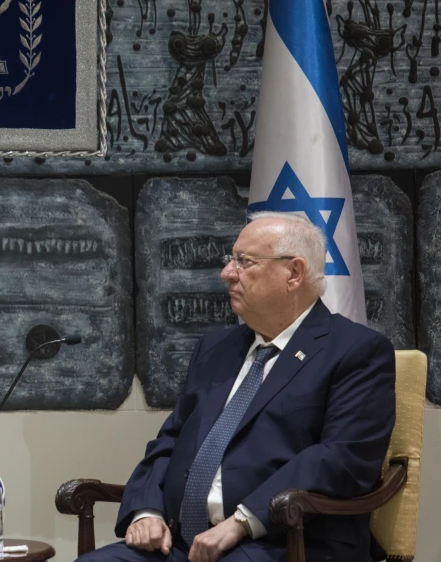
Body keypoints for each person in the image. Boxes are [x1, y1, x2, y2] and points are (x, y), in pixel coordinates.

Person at [79, 212, 396, 562]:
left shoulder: (355, 351)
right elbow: (172, 438)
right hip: (180, 545)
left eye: (244, 261)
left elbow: (341, 459)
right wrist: (147, 510)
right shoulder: (217, 347)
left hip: (288, 543)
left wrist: (243, 521)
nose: (227, 273)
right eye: (231, 259)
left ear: (294, 273)